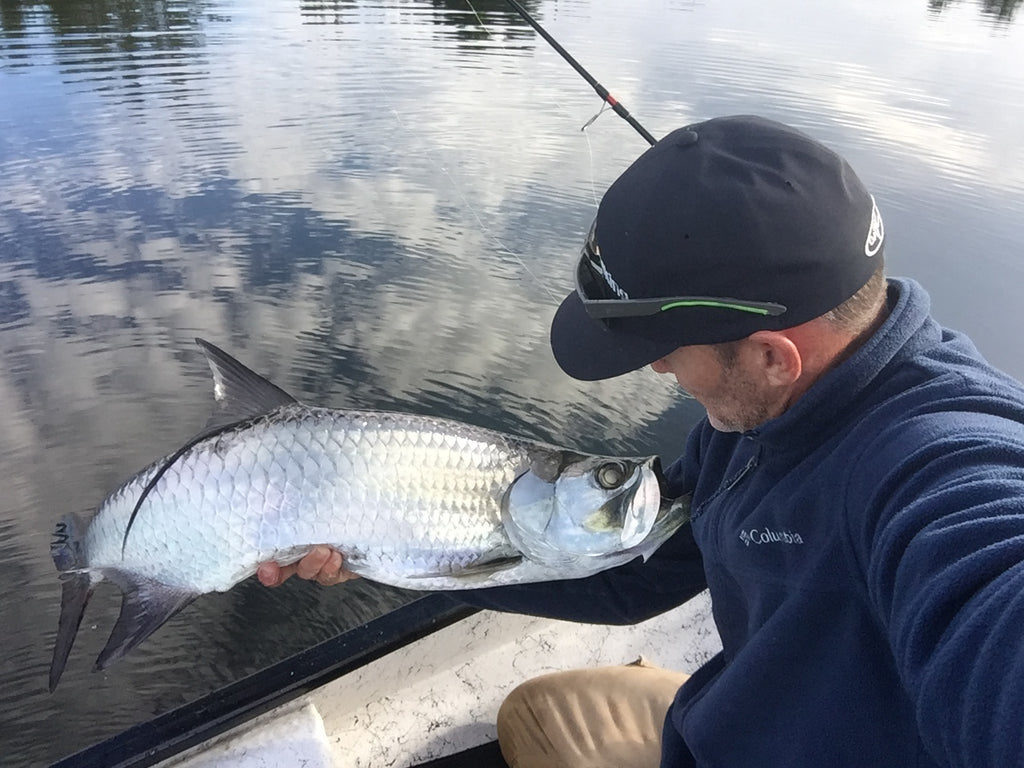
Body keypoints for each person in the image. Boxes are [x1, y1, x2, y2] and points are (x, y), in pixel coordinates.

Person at [257, 115, 1024, 767]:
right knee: (537, 712)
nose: (655, 366)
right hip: (723, 725)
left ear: (771, 354)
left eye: (667, 348)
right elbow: (636, 575)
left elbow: (989, 599)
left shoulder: (942, 466)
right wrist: (389, 549)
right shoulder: (753, 418)